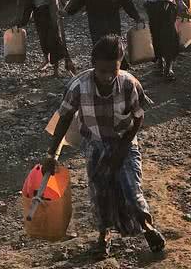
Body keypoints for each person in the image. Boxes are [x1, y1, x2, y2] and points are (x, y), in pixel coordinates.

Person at [42, 35, 166, 259]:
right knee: (100, 193)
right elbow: (64, 118)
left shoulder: (129, 84)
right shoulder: (78, 86)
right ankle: (104, 235)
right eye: (102, 71)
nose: (108, 77)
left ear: (121, 64)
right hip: (95, 145)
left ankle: (147, 228)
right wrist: (52, 154)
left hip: (124, 142)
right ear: (93, 64)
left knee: (131, 189)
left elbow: (138, 117)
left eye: (114, 71)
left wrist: (122, 148)